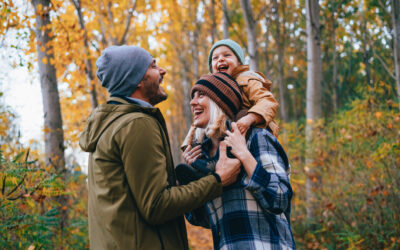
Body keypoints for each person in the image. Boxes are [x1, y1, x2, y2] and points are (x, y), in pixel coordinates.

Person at [79, 45, 241, 250]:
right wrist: (218, 180)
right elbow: (156, 205)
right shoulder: (135, 124)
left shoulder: (111, 125)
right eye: (153, 66)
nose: (162, 71)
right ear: (137, 79)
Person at [183, 72, 296, 249]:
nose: (192, 102)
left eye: (201, 94)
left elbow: (280, 198)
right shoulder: (202, 157)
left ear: (219, 101)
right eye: (192, 97)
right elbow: (207, 220)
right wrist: (193, 182)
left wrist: (244, 154)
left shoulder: (256, 138)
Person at [181, 39, 280, 159]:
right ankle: (200, 162)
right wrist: (189, 144)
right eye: (215, 58)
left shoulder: (247, 80)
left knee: (242, 115)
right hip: (224, 136)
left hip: (251, 130)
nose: (221, 59)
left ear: (239, 62)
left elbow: (267, 101)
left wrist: (250, 118)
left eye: (227, 55)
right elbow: (199, 119)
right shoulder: (212, 88)